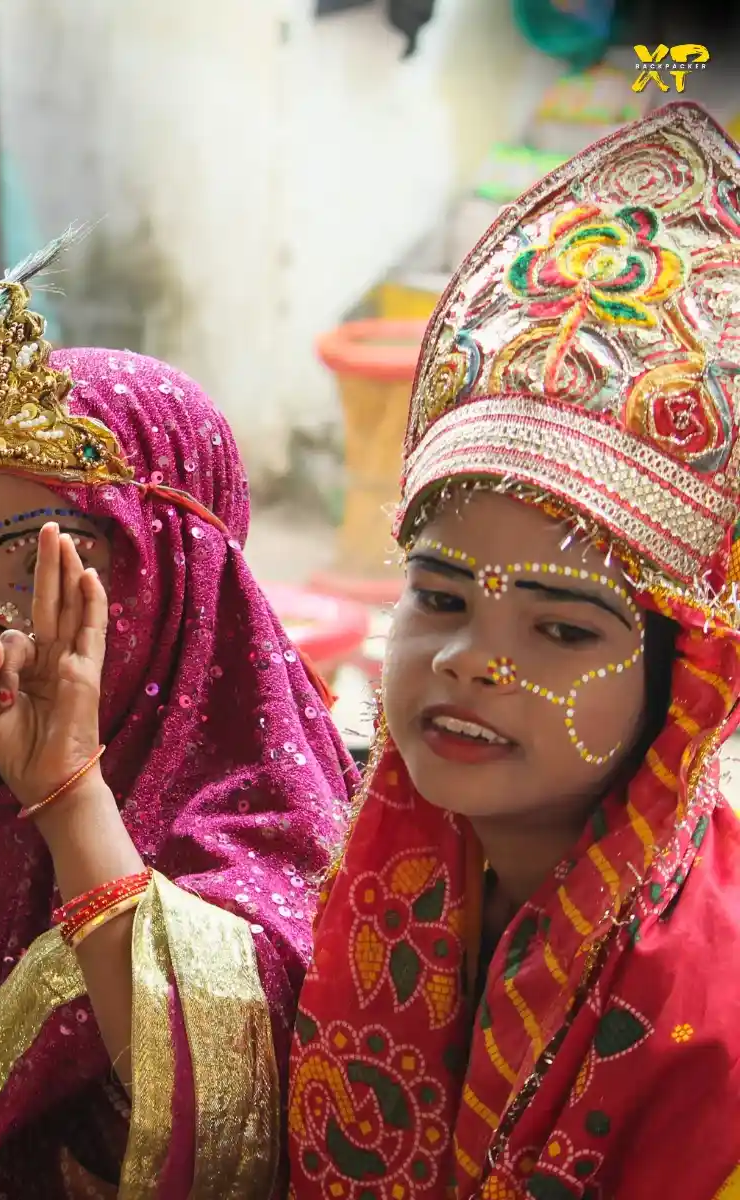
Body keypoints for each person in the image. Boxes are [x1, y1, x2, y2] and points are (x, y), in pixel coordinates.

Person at [287, 102, 740, 1199]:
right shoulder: (360, 876)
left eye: (561, 627)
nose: (469, 661)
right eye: (438, 598)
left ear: (678, 685)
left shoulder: (711, 1011)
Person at [0, 263, 357, 1196]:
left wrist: (72, 800)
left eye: (45, 567)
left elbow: (223, 1122)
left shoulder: (267, 823)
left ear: (179, 571)